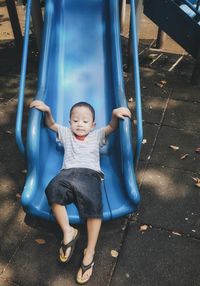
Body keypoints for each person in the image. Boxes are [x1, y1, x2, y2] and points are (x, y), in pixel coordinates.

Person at [30, 100, 131, 284]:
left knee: (94, 204)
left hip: (89, 174)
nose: (80, 124)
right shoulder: (67, 133)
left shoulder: (97, 135)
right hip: (67, 173)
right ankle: (68, 231)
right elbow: (50, 124)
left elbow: (111, 127)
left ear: (93, 125)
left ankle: (90, 251)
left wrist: (115, 113)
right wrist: (47, 110)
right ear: (70, 123)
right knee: (52, 189)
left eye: (85, 121)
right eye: (75, 120)